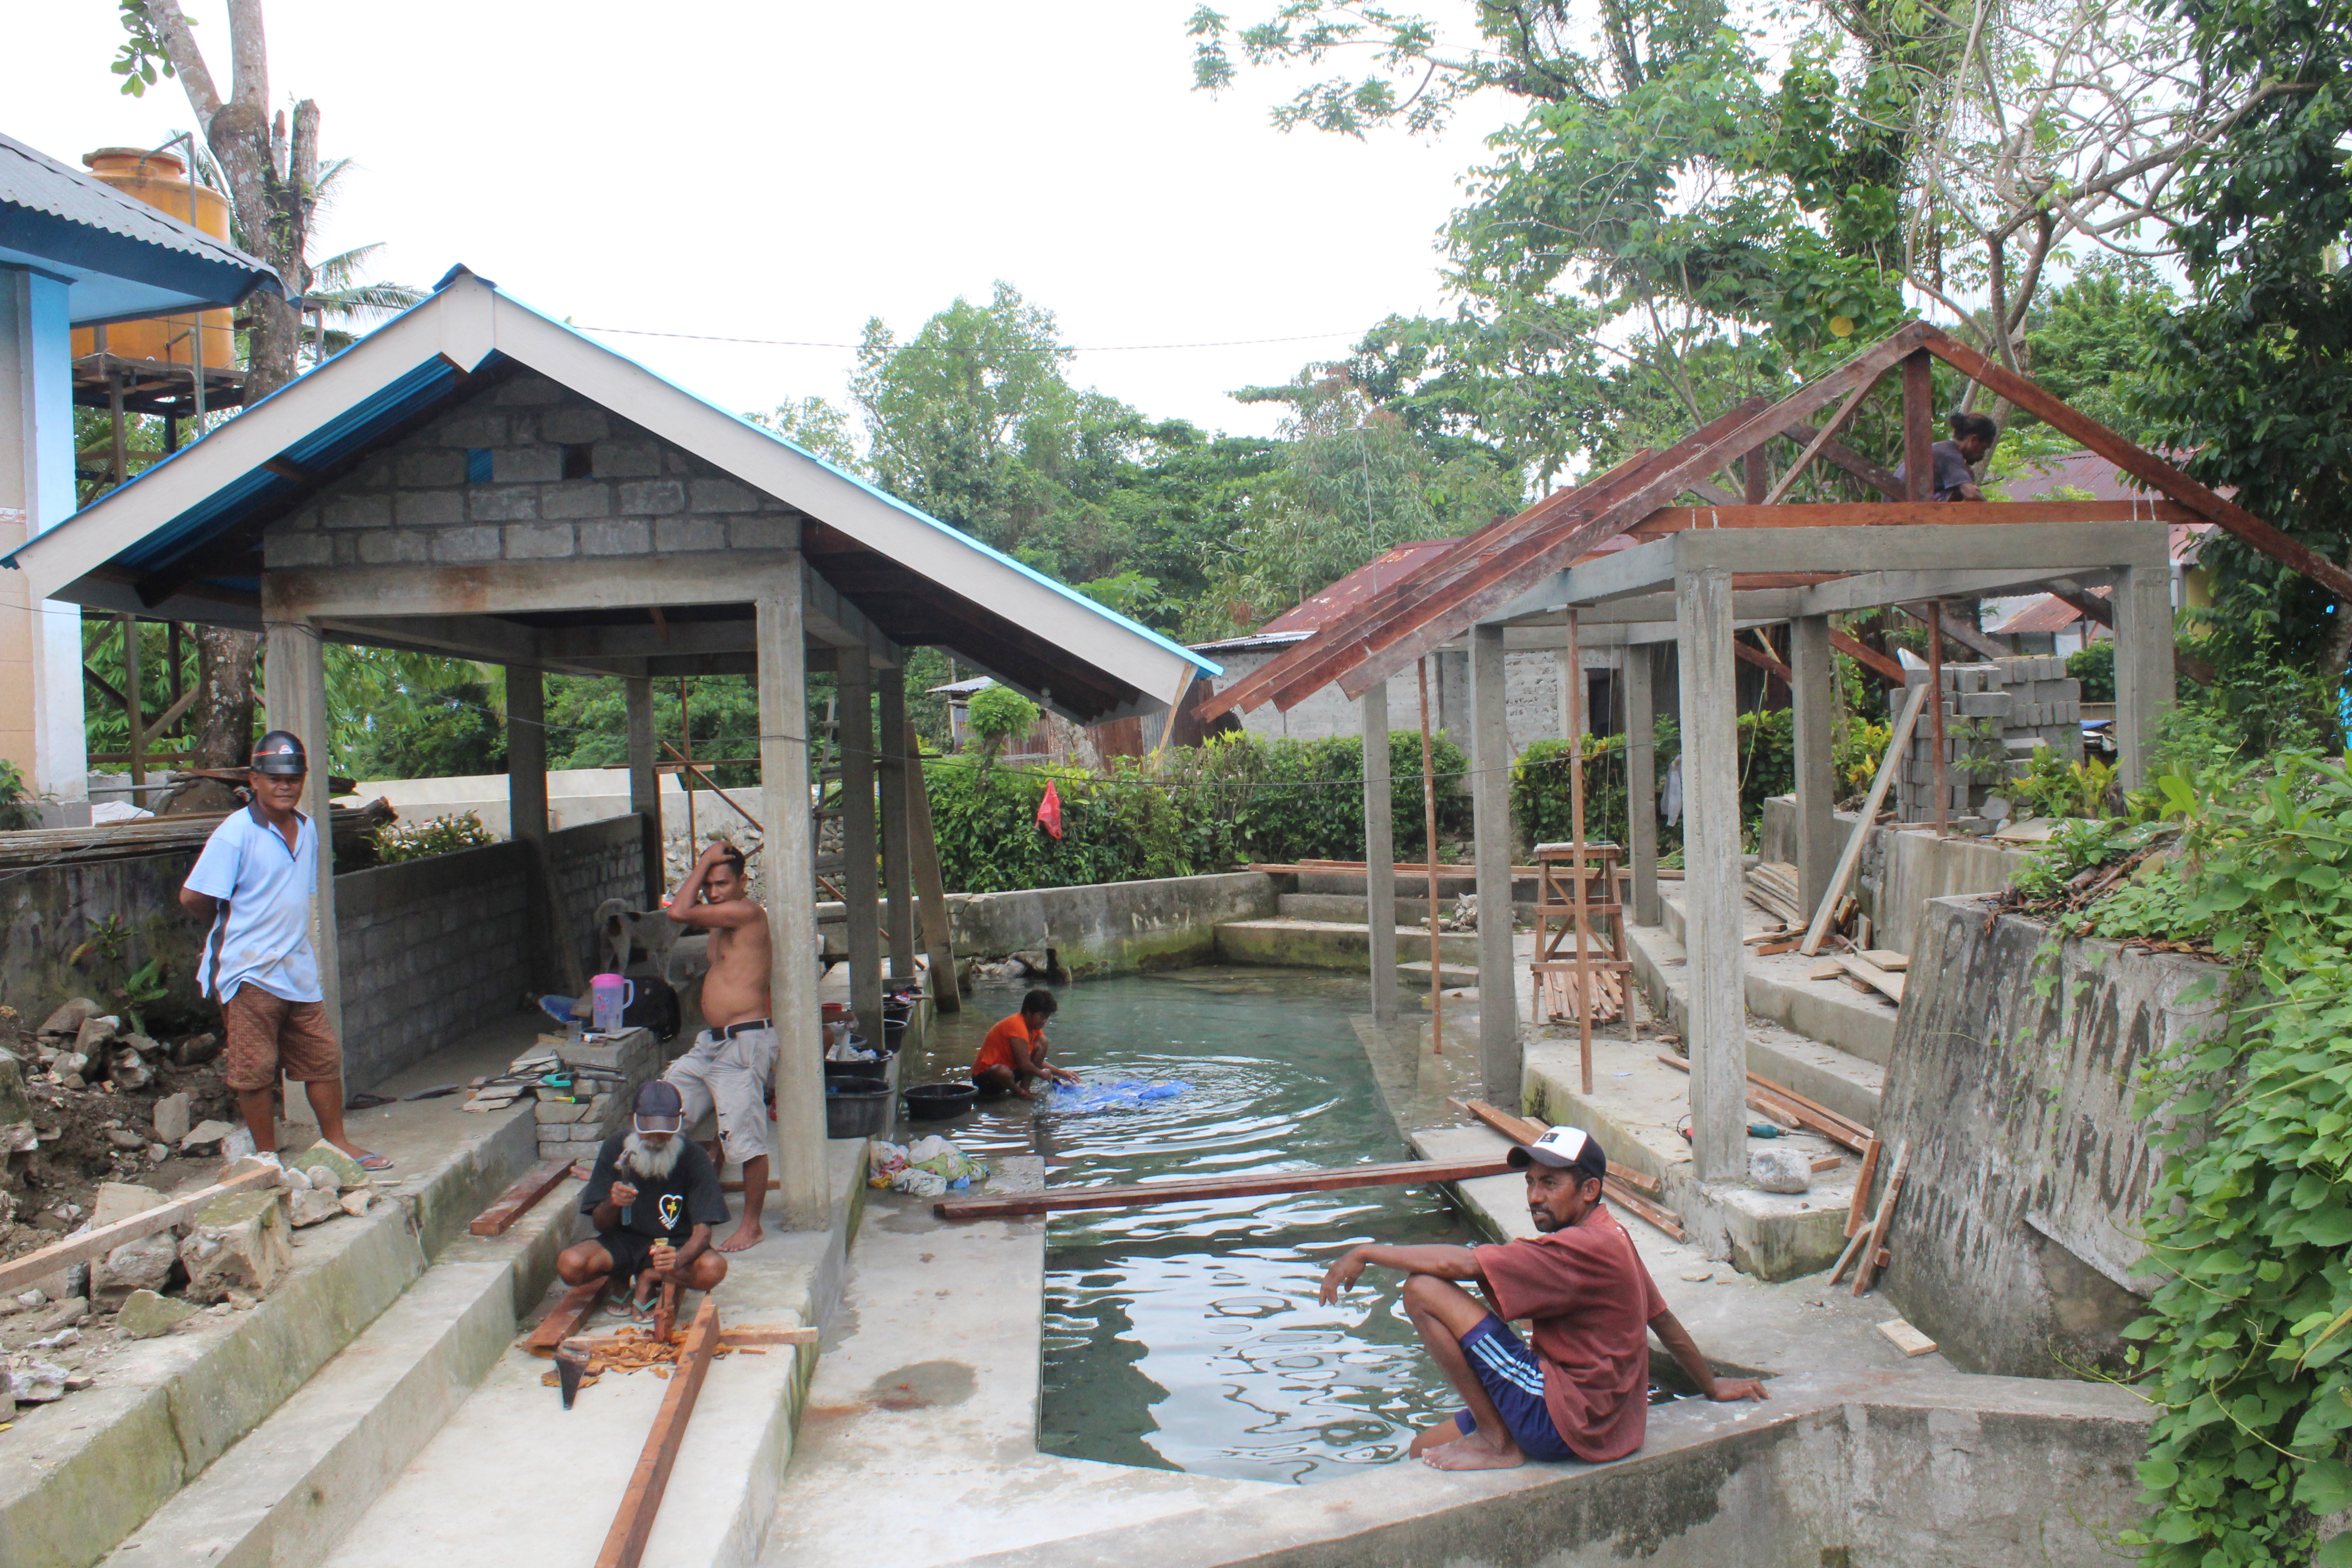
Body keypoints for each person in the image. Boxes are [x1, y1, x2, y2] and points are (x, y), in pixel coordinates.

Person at [1319, 1124, 1766, 1471]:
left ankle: (1497, 1442)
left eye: (1550, 1183)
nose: (1534, 1196)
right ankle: (1494, 1433)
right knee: (1421, 1448)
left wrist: (1366, 1252)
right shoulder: (1612, 1235)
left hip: (1564, 1420)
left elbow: (1464, 1265)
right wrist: (1710, 1386)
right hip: (1601, 1421)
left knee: (1422, 1290)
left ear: (1589, 1190)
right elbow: (1663, 1320)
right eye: (1530, 1182)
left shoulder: (1581, 1246)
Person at [178, 731, 391, 1171]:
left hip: (296, 969)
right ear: (254, 780)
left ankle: (336, 1142)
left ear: (303, 780)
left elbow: (297, 896)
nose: (285, 786)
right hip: (248, 970)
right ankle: (268, 1157)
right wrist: (244, 929)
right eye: (274, 778)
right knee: (255, 1068)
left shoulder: (308, 828)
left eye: (293, 778)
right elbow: (193, 898)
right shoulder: (235, 834)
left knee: (322, 1058)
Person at [660, 839, 774, 1252]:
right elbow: (682, 909)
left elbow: (677, 911)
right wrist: (705, 868)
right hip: (711, 1044)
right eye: (709, 885)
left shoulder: (747, 912)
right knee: (664, 1109)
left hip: (743, 1043)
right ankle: (639, 1186)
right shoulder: (720, 920)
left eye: (722, 883)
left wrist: (706, 859)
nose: (714, 892)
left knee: (745, 1140)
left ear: (744, 882)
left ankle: (752, 1225)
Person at [558, 1080, 728, 1321]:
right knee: (570, 1264)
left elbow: (703, 1231)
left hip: (672, 1245)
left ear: (680, 1120)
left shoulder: (694, 1158)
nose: (657, 1137)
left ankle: (651, 1276)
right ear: (633, 1119)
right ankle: (621, 1277)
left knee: (713, 1269)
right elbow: (601, 1224)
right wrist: (613, 1202)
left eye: (665, 1130)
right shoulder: (615, 1147)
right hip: (623, 1243)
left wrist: (676, 1261)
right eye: (648, 1128)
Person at [971, 988, 1078, 1100]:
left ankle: (1025, 1088)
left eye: (1047, 1018)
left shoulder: (1034, 1030)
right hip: (986, 1078)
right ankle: (1019, 1092)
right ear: (1028, 1012)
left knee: (1042, 1041)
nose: (1044, 1021)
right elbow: (1025, 1065)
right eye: (1041, 1017)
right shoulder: (1016, 1025)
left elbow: (1037, 1062)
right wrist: (1042, 1074)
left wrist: (1062, 1073)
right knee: (1002, 1071)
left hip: (1010, 1074)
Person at [1893, 410, 2000, 501]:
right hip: (1902, 509)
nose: (1982, 456)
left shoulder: (1942, 448)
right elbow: (1971, 494)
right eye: (1983, 449)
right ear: (1974, 440)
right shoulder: (1950, 455)